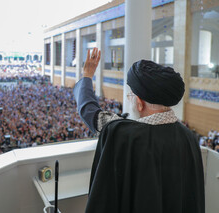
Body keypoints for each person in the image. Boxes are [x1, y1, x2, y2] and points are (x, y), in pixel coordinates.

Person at [74, 48, 205, 213]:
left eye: (131, 97)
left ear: (140, 103)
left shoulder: (123, 135)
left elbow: (89, 110)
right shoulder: (189, 137)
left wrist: (87, 76)